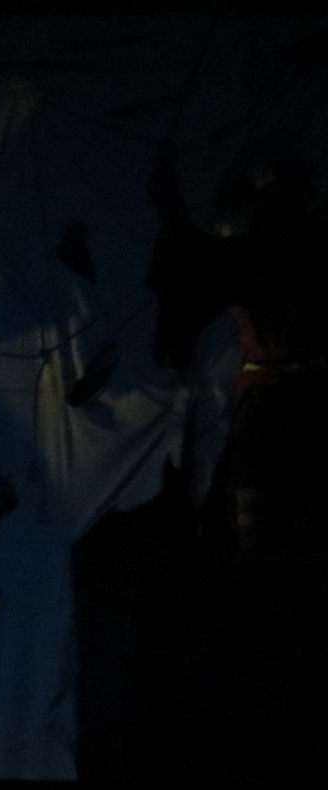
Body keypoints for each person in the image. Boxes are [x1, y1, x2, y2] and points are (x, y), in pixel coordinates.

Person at [149, 138, 328, 557]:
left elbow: (198, 253)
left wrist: (167, 201)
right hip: (299, 391)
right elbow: (202, 255)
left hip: (273, 397)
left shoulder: (259, 251)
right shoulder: (293, 244)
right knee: (280, 511)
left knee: (264, 514)